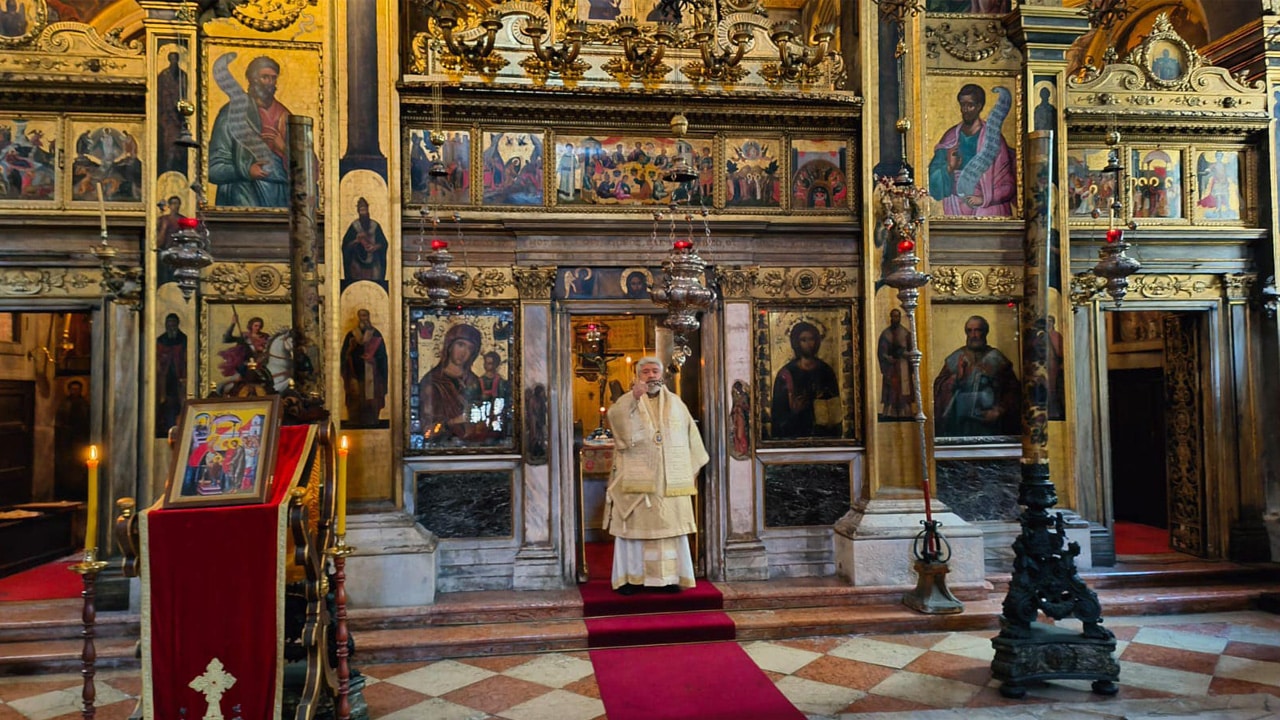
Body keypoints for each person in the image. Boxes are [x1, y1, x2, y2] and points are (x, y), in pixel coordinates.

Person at [604, 357, 708, 594]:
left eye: (654, 371)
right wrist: (633, 398)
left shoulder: (677, 403)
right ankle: (632, 579)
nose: (650, 376)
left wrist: (688, 469)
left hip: (670, 484)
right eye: (645, 372)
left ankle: (669, 579)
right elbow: (615, 418)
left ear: (662, 375)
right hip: (637, 485)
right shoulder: (626, 401)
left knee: (669, 533)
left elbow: (692, 439)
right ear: (637, 375)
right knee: (635, 532)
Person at [207, 55, 291, 207]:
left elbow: (309, 170)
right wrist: (246, 170)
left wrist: (284, 149)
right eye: (264, 77)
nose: (270, 83)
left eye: (273, 78)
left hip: (283, 202)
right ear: (251, 80)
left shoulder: (285, 116)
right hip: (243, 201)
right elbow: (213, 169)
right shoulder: (232, 112)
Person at [928, 83, 1017, 217]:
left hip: (987, 211)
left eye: (970, 105)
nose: (965, 109)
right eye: (963, 105)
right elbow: (932, 182)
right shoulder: (950, 137)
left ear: (979, 106)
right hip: (954, 209)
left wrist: (984, 199)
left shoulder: (993, 139)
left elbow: (1008, 185)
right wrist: (949, 168)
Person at [932, 315, 1020, 437]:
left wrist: (999, 411)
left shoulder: (998, 359)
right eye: (969, 331)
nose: (973, 335)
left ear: (985, 332)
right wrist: (956, 378)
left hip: (991, 426)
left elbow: (1013, 391)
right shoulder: (955, 358)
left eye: (978, 330)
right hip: (960, 426)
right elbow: (938, 388)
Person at [770, 321, 841, 438]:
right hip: (796, 431)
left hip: (823, 433)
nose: (808, 344)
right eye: (803, 340)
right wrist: (794, 411)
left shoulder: (826, 370)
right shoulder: (786, 374)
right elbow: (778, 415)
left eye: (811, 339)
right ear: (796, 343)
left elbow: (835, 406)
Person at [418, 323, 483, 443]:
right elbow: (427, 430)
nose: (464, 353)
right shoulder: (433, 382)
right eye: (460, 345)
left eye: (470, 348)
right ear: (449, 346)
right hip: (441, 446)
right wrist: (453, 422)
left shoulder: (474, 381)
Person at [340, 309, 389, 427]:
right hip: (354, 373)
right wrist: (350, 351)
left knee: (371, 399)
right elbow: (343, 355)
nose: (364, 318)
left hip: (372, 374)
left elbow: (382, 356)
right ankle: (355, 421)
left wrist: (373, 360)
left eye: (366, 315)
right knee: (355, 398)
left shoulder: (376, 334)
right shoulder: (351, 335)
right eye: (361, 316)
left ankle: (372, 422)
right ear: (358, 317)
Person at [54, 379, 91, 500]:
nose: (75, 391)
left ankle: (79, 494)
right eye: (73, 389)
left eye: (77, 389)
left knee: (80, 468)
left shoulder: (84, 404)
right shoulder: (64, 404)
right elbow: (59, 421)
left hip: (80, 440)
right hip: (66, 442)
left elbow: (87, 421)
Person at [877, 309, 914, 419]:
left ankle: (906, 412)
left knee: (904, 389)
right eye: (893, 316)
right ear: (890, 317)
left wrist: (905, 354)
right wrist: (888, 358)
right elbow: (881, 352)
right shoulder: (885, 334)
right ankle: (889, 413)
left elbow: (911, 351)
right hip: (891, 367)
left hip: (903, 367)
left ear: (900, 318)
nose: (895, 318)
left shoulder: (906, 333)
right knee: (891, 389)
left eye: (897, 316)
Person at [341, 197, 389, 283]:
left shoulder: (375, 225)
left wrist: (375, 247)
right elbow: (346, 245)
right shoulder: (354, 226)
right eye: (361, 210)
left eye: (365, 210)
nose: (363, 213)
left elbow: (383, 243)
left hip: (374, 262)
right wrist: (356, 241)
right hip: (357, 263)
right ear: (358, 212)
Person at [156, 51, 189, 175]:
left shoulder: (183, 75)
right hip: (167, 115)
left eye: (176, 59)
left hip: (181, 115)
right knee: (169, 141)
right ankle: (168, 166)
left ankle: (178, 166)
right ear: (169, 60)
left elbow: (186, 94)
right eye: (172, 59)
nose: (174, 62)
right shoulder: (163, 75)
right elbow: (160, 96)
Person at [156, 313, 188, 437]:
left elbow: (185, 357)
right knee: (166, 402)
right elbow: (159, 358)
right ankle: (167, 427)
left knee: (180, 402)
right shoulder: (161, 339)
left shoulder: (183, 338)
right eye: (169, 323)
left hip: (180, 375)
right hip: (165, 377)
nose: (171, 325)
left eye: (173, 323)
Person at [218, 313, 271, 383]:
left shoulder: (265, 336)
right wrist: (233, 324)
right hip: (245, 364)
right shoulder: (244, 336)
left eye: (259, 326)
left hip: (261, 362)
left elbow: (269, 349)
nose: (258, 328)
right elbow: (226, 339)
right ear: (251, 326)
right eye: (256, 326)